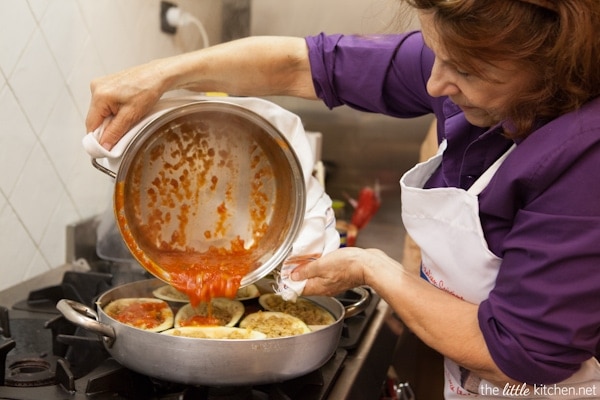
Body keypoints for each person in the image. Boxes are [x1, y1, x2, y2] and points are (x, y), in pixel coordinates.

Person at [85, 0, 600, 398]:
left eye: (465, 70)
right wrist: (161, 75)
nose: (436, 82)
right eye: (436, 52)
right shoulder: (474, 58)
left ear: (549, 68)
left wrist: (372, 268)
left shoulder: (585, 154)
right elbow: (301, 65)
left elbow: (515, 352)